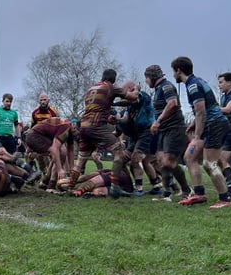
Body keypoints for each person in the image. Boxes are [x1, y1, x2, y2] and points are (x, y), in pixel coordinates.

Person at [171, 56, 231, 208]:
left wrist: (197, 136)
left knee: (209, 164)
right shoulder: (195, 82)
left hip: (215, 125)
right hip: (210, 124)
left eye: (173, 71)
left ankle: (225, 199)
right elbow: (204, 110)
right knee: (189, 157)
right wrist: (193, 124)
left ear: (179, 70)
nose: (173, 75)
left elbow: (201, 112)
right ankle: (199, 194)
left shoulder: (193, 86)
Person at [68, 69, 139, 198]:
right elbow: (133, 97)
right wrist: (136, 89)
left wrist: (107, 116)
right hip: (96, 127)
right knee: (119, 152)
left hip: (84, 126)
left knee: (80, 160)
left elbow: (96, 108)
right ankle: (115, 186)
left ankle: (70, 186)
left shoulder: (91, 89)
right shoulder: (110, 87)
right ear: (114, 79)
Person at [147, 64, 191, 202]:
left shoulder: (167, 87)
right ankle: (166, 195)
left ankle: (187, 191)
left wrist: (158, 121)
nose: (146, 81)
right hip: (163, 130)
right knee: (161, 161)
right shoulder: (158, 89)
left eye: (147, 78)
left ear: (153, 77)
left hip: (174, 128)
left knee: (169, 162)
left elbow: (172, 103)